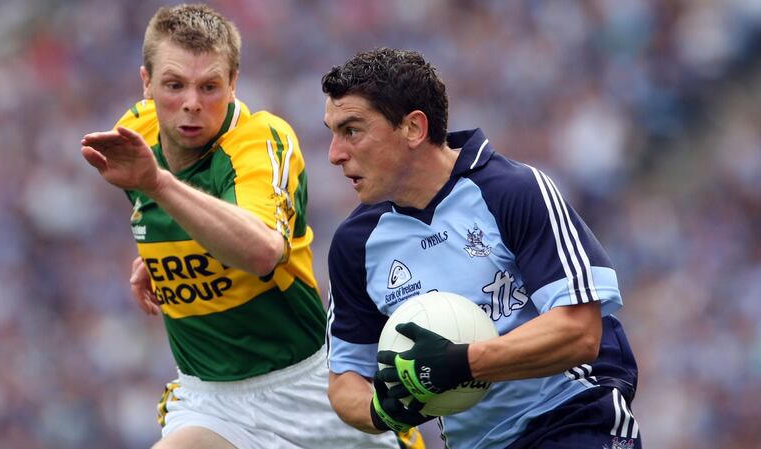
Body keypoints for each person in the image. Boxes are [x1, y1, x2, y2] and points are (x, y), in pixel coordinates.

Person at [80, 6, 421, 449]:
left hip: (307, 387)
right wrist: (164, 255)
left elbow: (262, 251)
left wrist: (159, 184)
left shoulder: (259, 140)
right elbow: (172, 213)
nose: (191, 103)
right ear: (146, 83)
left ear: (233, 83)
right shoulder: (134, 135)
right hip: (212, 401)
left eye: (209, 87)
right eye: (174, 85)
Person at [321, 47, 642, 449]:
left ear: (413, 128)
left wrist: (461, 362)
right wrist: (380, 411)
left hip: (575, 418)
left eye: (352, 131)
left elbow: (579, 332)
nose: (334, 154)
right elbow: (344, 379)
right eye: (332, 133)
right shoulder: (355, 245)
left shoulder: (514, 190)